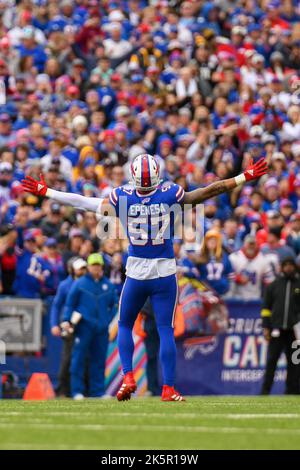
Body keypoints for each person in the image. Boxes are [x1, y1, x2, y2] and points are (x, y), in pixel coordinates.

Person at [21, 153, 268, 401]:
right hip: (164, 271)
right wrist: (244, 176)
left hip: (137, 271)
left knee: (126, 325)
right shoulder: (170, 193)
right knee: (165, 330)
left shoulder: (122, 197)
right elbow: (207, 191)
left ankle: (128, 377)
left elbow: (83, 202)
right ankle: (168, 389)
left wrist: (48, 192)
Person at [63, 253, 117, 399]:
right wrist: (66, 320)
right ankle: (77, 391)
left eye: (98, 265)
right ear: (88, 267)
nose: (96, 268)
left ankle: (98, 391)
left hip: (101, 328)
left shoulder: (108, 284)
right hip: (83, 327)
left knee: (99, 361)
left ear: (102, 266)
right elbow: (70, 304)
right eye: (93, 265)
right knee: (78, 359)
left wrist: (108, 319)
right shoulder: (80, 284)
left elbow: (114, 305)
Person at [261, 257, 300, 395]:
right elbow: (266, 308)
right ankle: (265, 391)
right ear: (281, 267)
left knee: (295, 362)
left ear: (295, 267)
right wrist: (266, 326)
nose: (288, 268)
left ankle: (293, 392)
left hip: (295, 332)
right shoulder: (274, 285)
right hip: (276, 330)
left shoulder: (298, 284)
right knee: (272, 361)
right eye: (286, 265)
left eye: (291, 265)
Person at [50, 256, 87, 397]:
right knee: (67, 359)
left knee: (85, 359)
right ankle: (62, 390)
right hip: (69, 325)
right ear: (72, 269)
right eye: (79, 268)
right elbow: (56, 305)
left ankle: (82, 390)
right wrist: (54, 324)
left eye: (84, 268)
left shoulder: (87, 283)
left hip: (85, 324)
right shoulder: (65, 285)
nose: (82, 271)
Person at [229, 235, 275, 300]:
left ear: (257, 245)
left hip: (255, 299)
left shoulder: (263, 259)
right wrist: (238, 278)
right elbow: (227, 276)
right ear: (244, 244)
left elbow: (270, 281)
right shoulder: (234, 257)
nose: (251, 246)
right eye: (249, 244)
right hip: (236, 298)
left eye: (253, 244)